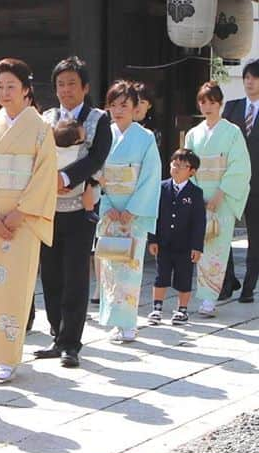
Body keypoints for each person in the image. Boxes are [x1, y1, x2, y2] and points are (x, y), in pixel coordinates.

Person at [0, 58, 57, 384]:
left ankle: (8, 356)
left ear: (26, 90)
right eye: (0, 86)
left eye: (11, 86)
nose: (4, 91)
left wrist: (21, 212)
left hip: (23, 219)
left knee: (17, 286)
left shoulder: (40, 129)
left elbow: (45, 174)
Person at [33, 56, 111, 369]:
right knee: (49, 274)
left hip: (81, 208)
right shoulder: (46, 117)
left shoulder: (98, 118)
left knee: (75, 276)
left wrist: (65, 178)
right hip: (48, 209)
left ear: (85, 87)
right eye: (61, 84)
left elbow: (97, 156)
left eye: (72, 84)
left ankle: (71, 343)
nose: (66, 90)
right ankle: (56, 333)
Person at [96, 80, 162, 344]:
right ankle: (116, 320)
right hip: (110, 209)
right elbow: (96, 172)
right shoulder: (104, 135)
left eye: (124, 105)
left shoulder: (145, 138)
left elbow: (150, 176)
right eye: (113, 105)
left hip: (133, 213)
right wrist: (107, 205)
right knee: (111, 266)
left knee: (130, 267)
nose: (118, 110)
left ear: (136, 107)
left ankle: (129, 323)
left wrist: (133, 210)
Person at [184, 81, 250, 316]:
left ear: (220, 104)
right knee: (200, 248)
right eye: (203, 102)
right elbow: (186, 167)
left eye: (212, 102)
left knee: (219, 248)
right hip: (200, 196)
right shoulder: (193, 134)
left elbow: (240, 166)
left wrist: (221, 193)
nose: (207, 106)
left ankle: (210, 298)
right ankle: (204, 295)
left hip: (222, 198)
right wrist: (195, 195)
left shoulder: (232, 132)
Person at [147, 150, 205, 326]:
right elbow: (153, 215)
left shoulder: (195, 192)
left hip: (185, 244)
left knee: (184, 277)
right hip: (164, 242)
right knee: (161, 275)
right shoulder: (161, 187)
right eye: (174, 164)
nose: (177, 168)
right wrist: (153, 239)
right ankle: (157, 308)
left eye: (182, 166)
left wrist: (197, 246)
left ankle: (182, 310)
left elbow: (199, 222)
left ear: (192, 171)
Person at [221, 61, 259, 302]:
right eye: (246, 77)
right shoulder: (232, 108)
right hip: (231, 184)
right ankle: (227, 281)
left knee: (255, 237)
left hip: (257, 186)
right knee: (222, 234)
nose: (249, 81)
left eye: (254, 77)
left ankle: (248, 286)